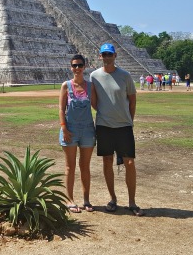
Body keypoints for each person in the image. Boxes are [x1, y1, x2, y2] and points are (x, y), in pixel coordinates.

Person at [90, 43, 144, 216]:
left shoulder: (125, 76)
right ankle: (113, 199)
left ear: (115, 56)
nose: (107, 57)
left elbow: (133, 101)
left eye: (110, 54)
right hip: (104, 126)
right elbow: (94, 101)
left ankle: (132, 202)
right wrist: (106, 113)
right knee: (107, 161)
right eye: (104, 55)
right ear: (100, 56)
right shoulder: (94, 76)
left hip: (124, 126)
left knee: (129, 163)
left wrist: (128, 119)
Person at [59, 54, 96, 213]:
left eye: (80, 65)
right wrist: (64, 127)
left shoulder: (90, 86)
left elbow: (96, 106)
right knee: (70, 166)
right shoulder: (66, 86)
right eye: (74, 66)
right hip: (70, 129)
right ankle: (69, 200)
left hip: (88, 129)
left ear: (84, 67)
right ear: (71, 67)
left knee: (85, 166)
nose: (77, 68)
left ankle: (86, 200)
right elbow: (61, 109)